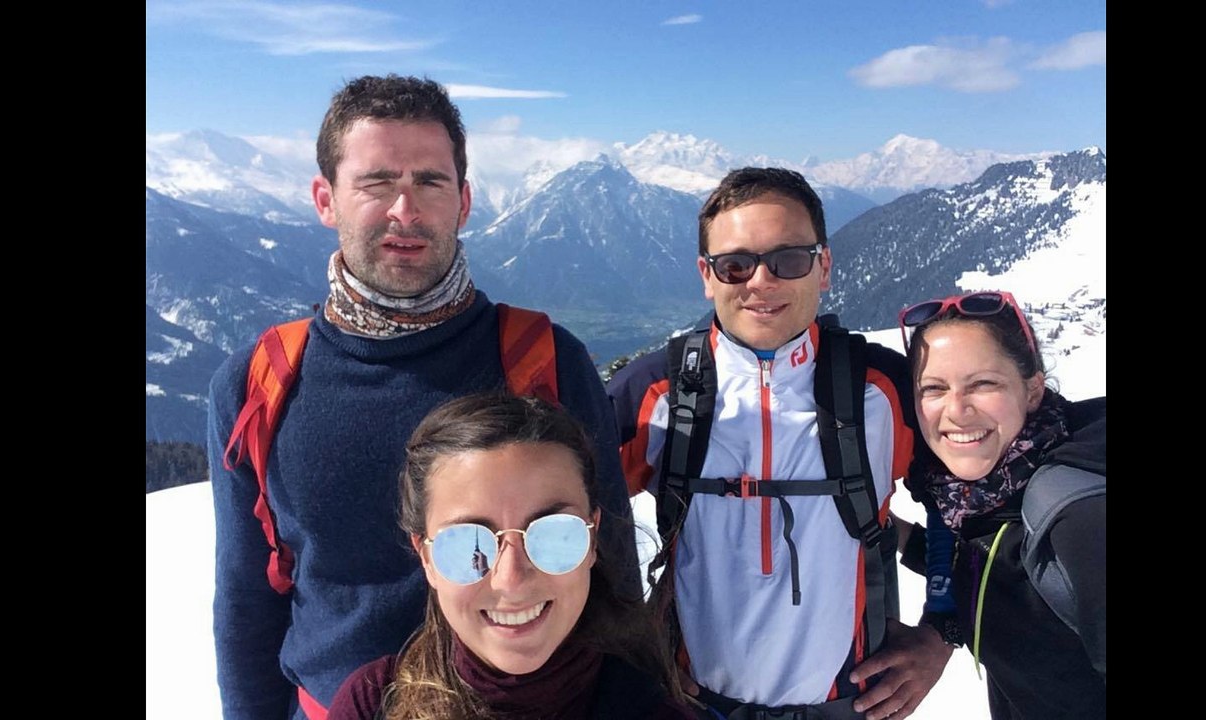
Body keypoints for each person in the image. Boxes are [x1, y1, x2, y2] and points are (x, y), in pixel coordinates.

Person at [207, 75, 638, 720]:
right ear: (326, 199)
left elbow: (609, 568)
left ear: (464, 201)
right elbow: (247, 598)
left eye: (430, 183)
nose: (404, 211)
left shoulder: (545, 361)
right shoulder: (260, 383)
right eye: (376, 182)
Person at [608, 168, 952, 720]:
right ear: (707, 275)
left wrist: (942, 634)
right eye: (736, 264)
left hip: (850, 703)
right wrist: (618, 648)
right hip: (689, 703)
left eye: (788, 260)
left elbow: (971, 511)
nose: (761, 282)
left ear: (824, 267)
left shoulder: (885, 388)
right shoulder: (655, 392)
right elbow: (559, 520)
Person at [327, 392, 697, 720]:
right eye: (470, 544)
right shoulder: (373, 704)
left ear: (591, 540)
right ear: (427, 558)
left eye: (553, 534)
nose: (511, 579)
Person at [898, 290, 1106, 719]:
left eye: (983, 384)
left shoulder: (1077, 516)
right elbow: (991, 563)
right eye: (934, 388)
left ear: (1032, 390)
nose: (956, 410)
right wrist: (895, 536)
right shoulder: (975, 500)